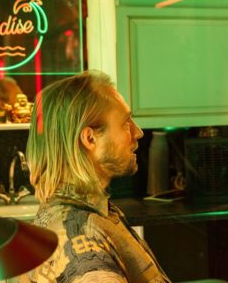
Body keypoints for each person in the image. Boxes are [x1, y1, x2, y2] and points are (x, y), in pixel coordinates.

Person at [22, 71, 170, 282]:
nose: (138, 132)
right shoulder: (82, 247)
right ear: (90, 139)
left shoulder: (86, 211)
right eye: (125, 123)